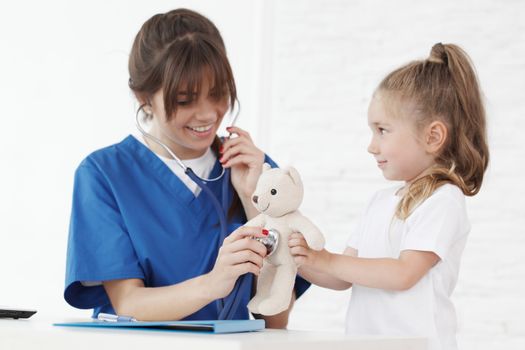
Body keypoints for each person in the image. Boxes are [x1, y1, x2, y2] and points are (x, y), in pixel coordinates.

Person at [64, 8, 309, 327]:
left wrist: (252, 202)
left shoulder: (257, 172)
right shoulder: (104, 174)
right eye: (185, 100)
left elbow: (275, 319)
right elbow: (128, 302)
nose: (208, 114)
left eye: (218, 93)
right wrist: (212, 284)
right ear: (144, 96)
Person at [288, 43, 489, 349]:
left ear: (432, 136)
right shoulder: (381, 201)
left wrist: (324, 259)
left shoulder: (442, 199)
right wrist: (300, 259)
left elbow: (404, 273)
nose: (372, 145)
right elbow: (342, 276)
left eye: (382, 130)